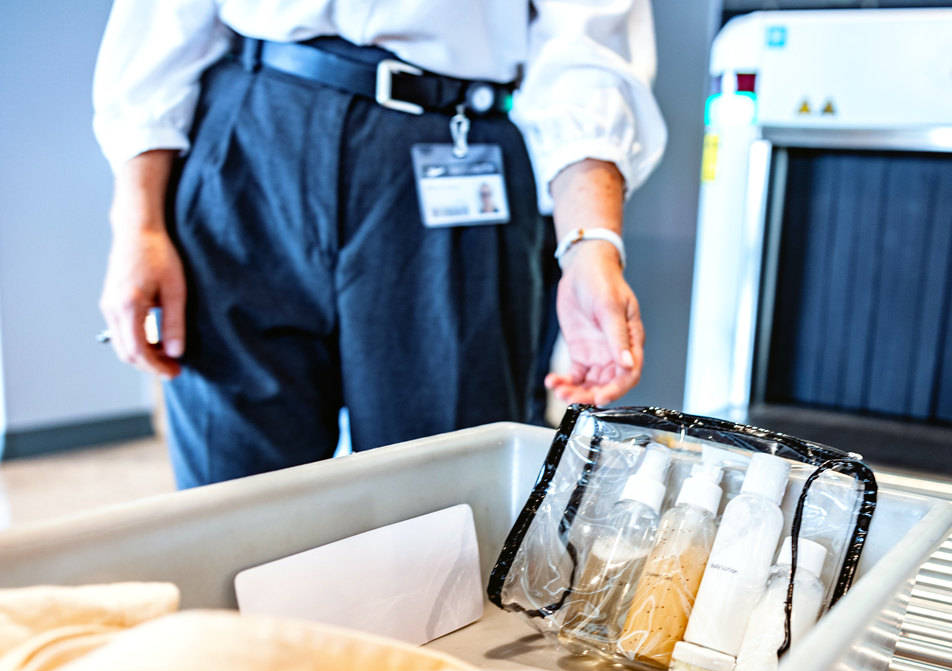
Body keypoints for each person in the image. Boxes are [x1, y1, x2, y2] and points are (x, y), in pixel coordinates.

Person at [93, 1, 666, 488]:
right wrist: (137, 224)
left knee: (443, 505)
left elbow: (587, 45)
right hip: (252, 134)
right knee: (232, 509)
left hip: (454, 143)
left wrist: (590, 243)